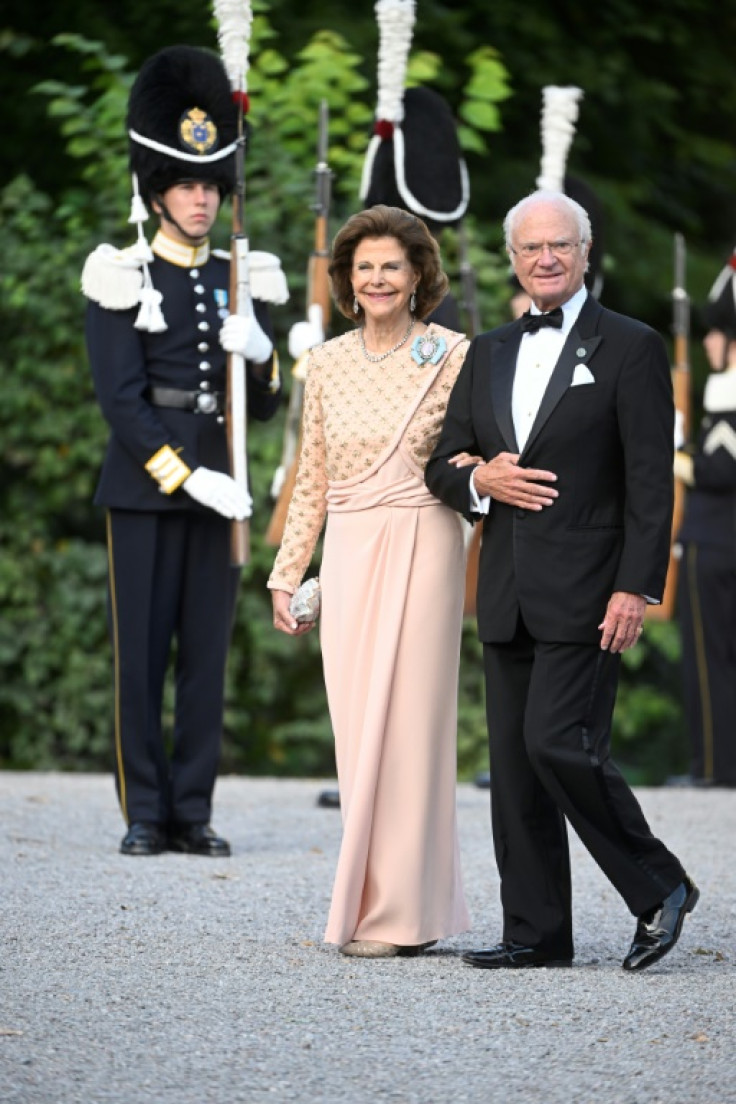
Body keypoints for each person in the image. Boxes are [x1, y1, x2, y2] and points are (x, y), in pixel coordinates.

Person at [425, 189, 699, 972]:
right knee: (514, 766)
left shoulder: (633, 346)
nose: (545, 259)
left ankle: (661, 884)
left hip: (590, 588)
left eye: (560, 246)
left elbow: (652, 481)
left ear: (585, 254)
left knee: (559, 741)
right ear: (514, 260)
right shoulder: (487, 351)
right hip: (506, 587)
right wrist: (484, 482)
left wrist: (637, 587)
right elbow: (442, 461)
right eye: (530, 248)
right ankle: (537, 934)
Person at [83, 46, 286, 857]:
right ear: (156, 192)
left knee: (206, 656)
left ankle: (193, 809)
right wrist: (185, 475)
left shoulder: (238, 275)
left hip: (224, 483)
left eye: (211, 186)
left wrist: (263, 349)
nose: (202, 200)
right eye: (187, 187)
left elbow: (264, 407)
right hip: (145, 491)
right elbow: (121, 401)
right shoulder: (119, 272)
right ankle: (145, 811)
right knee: (141, 656)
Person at [268, 204, 471, 958]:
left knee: (412, 728)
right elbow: (310, 479)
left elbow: (470, 459)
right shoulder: (322, 361)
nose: (378, 279)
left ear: (418, 274)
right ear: (347, 281)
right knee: (359, 732)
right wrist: (288, 574)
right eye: (365, 268)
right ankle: (371, 903)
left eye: (392, 265)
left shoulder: (453, 352)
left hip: (425, 538)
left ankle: (403, 916)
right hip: (349, 551)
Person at [674, 253, 736, 787]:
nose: (710, 343)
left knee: (707, 659)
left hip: (715, 538)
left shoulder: (726, 390)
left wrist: (669, 450)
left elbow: (718, 470)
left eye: (718, 334)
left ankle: (715, 765)